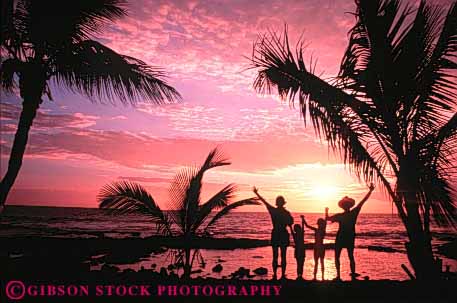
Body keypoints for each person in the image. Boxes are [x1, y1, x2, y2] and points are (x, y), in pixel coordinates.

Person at [326, 183, 375, 280]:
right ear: (349, 205)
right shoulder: (353, 213)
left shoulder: (340, 215)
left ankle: (339, 276)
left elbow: (327, 218)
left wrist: (326, 211)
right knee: (350, 256)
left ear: (343, 206)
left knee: (337, 256)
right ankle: (352, 275)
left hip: (341, 236)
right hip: (349, 236)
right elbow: (363, 201)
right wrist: (370, 191)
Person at [253, 186, 293, 279]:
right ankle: (282, 275)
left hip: (276, 233)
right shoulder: (286, 212)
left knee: (275, 255)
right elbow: (291, 223)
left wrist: (257, 193)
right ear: (283, 203)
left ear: (277, 203)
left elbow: (264, 201)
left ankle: (275, 274)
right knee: (283, 256)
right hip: (283, 233)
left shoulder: (273, 211)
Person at [303, 212, 327, 280]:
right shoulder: (322, 230)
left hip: (318, 247)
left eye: (319, 223)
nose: (319, 225)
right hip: (319, 247)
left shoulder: (319, 230)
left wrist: (303, 219)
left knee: (318, 262)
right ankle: (319, 277)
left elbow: (307, 226)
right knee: (320, 262)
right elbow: (307, 226)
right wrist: (303, 219)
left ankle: (318, 277)